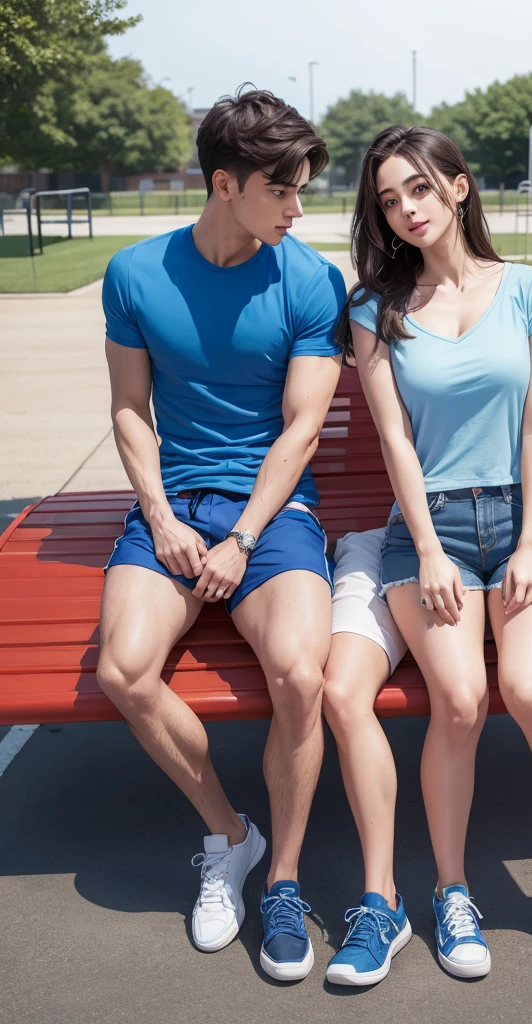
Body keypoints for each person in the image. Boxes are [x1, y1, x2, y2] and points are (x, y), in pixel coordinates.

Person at [323, 124, 532, 983]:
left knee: (526, 689)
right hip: (431, 532)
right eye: (387, 199)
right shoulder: (373, 310)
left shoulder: (530, 291)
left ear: (458, 186)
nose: (405, 209)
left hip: (527, 525)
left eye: (418, 188)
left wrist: (529, 540)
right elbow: (394, 443)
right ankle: (452, 894)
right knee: (458, 698)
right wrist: (427, 547)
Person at [96, 88, 345, 982]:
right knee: (122, 670)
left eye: (303, 190)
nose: (299, 208)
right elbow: (130, 411)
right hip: (174, 509)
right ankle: (231, 837)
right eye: (283, 191)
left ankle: (281, 880)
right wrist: (161, 519)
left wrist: (240, 538)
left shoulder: (312, 280)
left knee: (299, 670)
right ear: (224, 183)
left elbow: (302, 430)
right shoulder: (134, 274)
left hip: (271, 516)